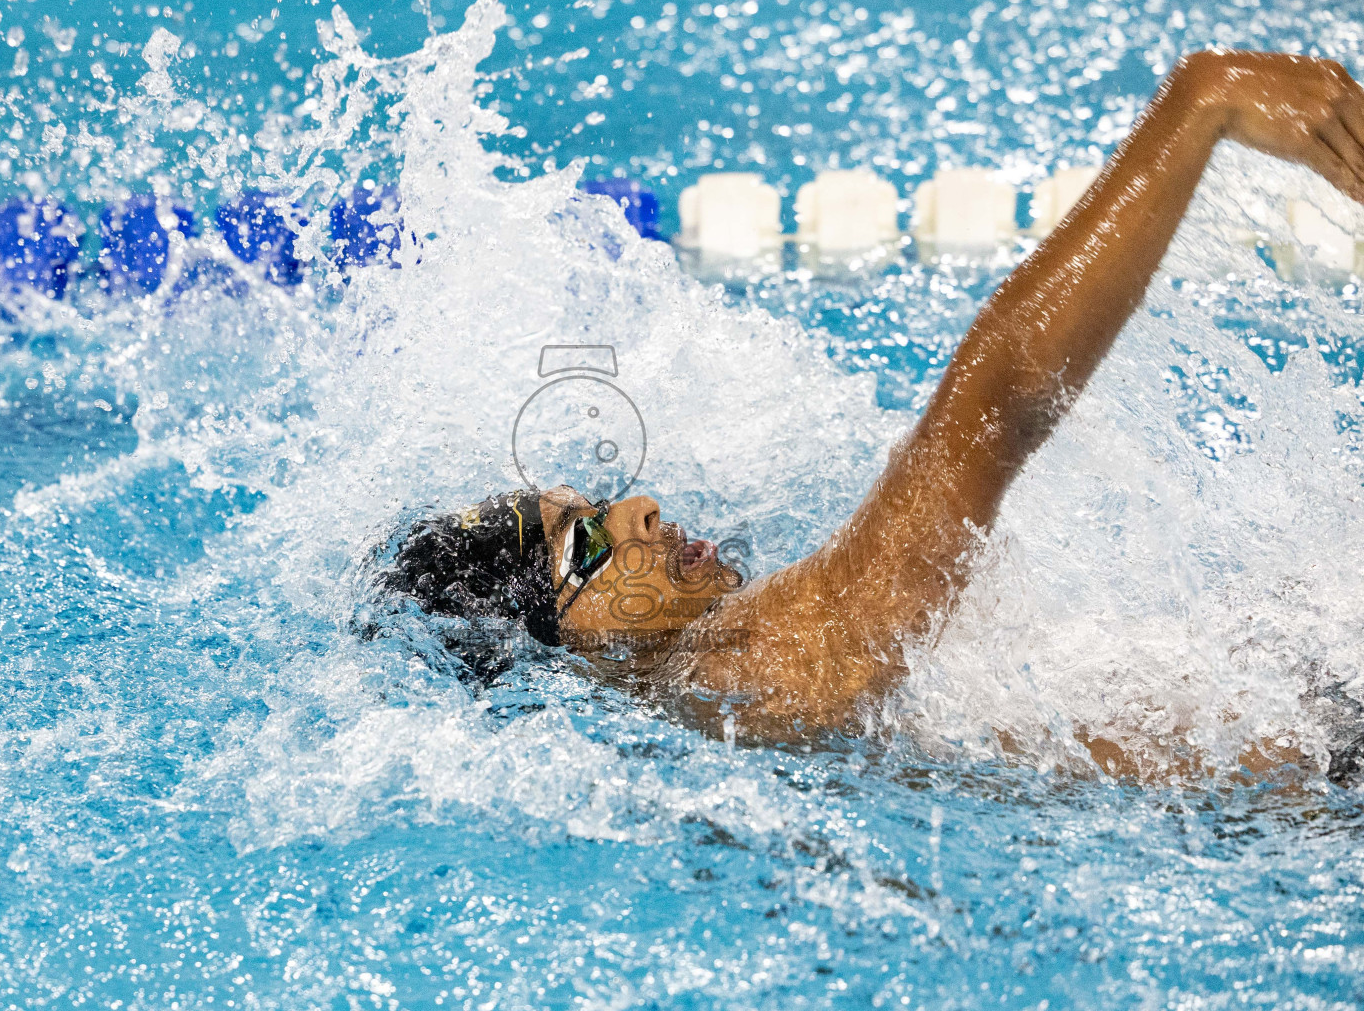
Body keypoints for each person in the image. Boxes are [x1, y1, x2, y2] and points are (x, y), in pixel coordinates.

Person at [386, 50, 1364, 769]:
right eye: (586, 550)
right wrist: (1202, 103)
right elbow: (995, 407)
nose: (635, 510)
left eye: (595, 505)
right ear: (564, 665)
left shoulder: (712, 693)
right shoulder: (749, 674)